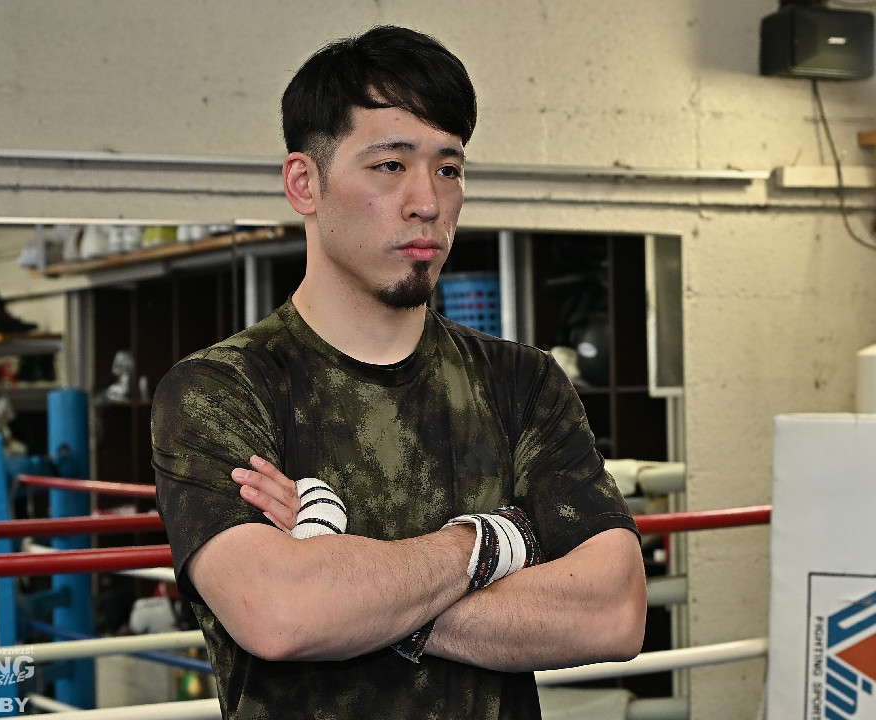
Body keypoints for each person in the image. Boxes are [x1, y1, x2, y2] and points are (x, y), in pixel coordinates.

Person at [151, 24, 646, 720]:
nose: (428, 202)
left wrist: (345, 584)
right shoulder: (223, 389)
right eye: (390, 165)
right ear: (304, 183)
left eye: (448, 169)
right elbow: (282, 614)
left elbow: (614, 612)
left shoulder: (522, 382)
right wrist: (494, 543)